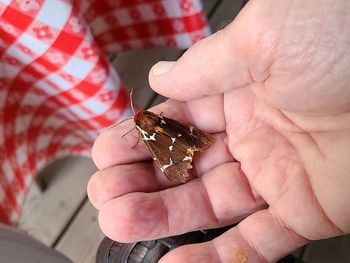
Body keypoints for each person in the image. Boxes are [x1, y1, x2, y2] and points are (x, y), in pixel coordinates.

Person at [88, 0, 350, 262]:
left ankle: (184, 155)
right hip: (175, 132)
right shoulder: (153, 120)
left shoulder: (145, 129)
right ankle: (189, 147)